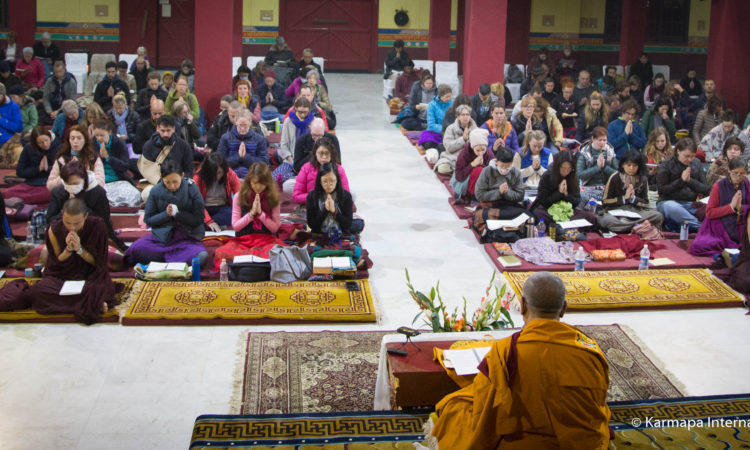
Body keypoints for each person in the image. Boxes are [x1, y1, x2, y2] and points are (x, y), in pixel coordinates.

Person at [429, 271, 610, 449]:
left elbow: (487, 411)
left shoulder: (505, 351)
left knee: (455, 405)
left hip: (522, 444)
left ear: (522, 305)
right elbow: (598, 402)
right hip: (580, 443)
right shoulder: (588, 350)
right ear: (564, 308)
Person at [30, 198, 118, 324]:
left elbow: (98, 262)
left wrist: (79, 249)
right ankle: (92, 303)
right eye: (67, 222)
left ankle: (87, 301)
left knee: (102, 289)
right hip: (62, 276)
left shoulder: (98, 227)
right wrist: (68, 250)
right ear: (62, 214)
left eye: (77, 223)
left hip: (90, 275)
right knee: (38, 292)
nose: (72, 227)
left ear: (86, 216)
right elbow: (57, 261)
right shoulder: (54, 229)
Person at [125, 159, 207, 267]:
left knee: (201, 256)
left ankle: (162, 261)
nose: (172, 186)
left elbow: (199, 218)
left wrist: (178, 215)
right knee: (135, 248)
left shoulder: (192, 189)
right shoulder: (155, 191)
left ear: (182, 175)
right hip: (162, 239)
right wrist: (165, 214)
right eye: (167, 182)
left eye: (175, 182)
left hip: (187, 237)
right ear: (162, 178)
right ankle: (173, 261)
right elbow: (148, 219)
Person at [212, 162, 285, 266]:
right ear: (249, 181)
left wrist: (261, 215)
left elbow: (275, 228)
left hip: (266, 240)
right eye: (255, 183)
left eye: (262, 183)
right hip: (243, 240)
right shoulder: (239, 196)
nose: (258, 187)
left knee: (281, 254)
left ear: (268, 183)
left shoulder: (273, 197)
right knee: (221, 253)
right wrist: (251, 214)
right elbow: (236, 227)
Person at [46, 160, 124, 251]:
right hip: (64, 235)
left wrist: (79, 207)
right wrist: (68, 211)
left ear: (84, 180)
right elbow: (50, 219)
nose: (71, 186)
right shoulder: (58, 192)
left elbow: (103, 220)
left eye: (75, 183)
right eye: (68, 183)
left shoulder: (98, 192)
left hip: (92, 234)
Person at [689, 158, 749, 257]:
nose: (738, 177)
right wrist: (730, 207)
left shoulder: (746, 184)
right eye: (735, 173)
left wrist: (742, 208)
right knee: (700, 246)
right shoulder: (719, 186)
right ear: (729, 171)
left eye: (742, 174)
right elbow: (710, 213)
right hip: (720, 225)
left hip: (740, 224)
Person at [598, 149, 664, 233]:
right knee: (605, 219)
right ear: (622, 165)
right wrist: (624, 198)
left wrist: (633, 199)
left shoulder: (643, 179)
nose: (631, 168)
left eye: (635, 165)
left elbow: (646, 203)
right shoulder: (615, 177)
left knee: (658, 216)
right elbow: (605, 201)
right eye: (628, 165)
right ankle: (636, 227)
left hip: (636, 212)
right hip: (616, 212)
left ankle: (626, 227)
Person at [656, 138, 710, 232]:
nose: (689, 159)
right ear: (678, 151)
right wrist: (681, 181)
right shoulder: (667, 164)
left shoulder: (696, 163)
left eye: (692, 156)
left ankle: (692, 225)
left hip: (691, 204)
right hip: (668, 202)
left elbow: (705, 189)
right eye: (686, 156)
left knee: (712, 209)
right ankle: (701, 227)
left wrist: (689, 181)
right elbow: (662, 190)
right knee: (672, 208)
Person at [532, 150, 596, 229]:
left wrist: (566, 194)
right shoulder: (547, 176)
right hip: (548, 210)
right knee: (538, 214)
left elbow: (576, 201)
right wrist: (559, 193)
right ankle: (561, 226)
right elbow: (543, 201)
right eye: (563, 168)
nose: (566, 171)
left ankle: (561, 226)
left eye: (569, 168)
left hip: (567, 211)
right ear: (557, 167)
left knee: (589, 217)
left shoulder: (573, 176)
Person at [140, 115, 194, 197]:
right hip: (157, 183)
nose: (165, 134)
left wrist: (176, 181)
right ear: (157, 128)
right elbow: (147, 170)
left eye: (168, 130)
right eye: (162, 130)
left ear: (174, 129)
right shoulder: (148, 146)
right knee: (146, 194)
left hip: (178, 182)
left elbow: (189, 171)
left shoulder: (184, 146)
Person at [91, 121, 141, 207]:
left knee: (135, 196)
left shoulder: (119, 143)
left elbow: (125, 166)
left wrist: (108, 158)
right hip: (100, 181)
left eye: (102, 135)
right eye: (96, 136)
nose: (99, 138)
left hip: (118, 180)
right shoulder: (92, 144)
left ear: (109, 132)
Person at [3, 127, 59, 204]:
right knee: (7, 194)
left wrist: (48, 169)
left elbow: (63, 172)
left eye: (46, 140)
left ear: (50, 138)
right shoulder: (29, 148)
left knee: (53, 195)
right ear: (35, 143)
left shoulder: (59, 147)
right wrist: (38, 169)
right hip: (32, 183)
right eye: (40, 142)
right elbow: (20, 172)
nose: (45, 144)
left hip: (50, 184)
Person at [46, 124, 105, 191]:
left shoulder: (93, 158)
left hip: (88, 194)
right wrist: (66, 175)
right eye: (72, 138)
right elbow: (49, 185)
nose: (75, 141)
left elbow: (100, 183)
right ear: (69, 140)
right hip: (67, 194)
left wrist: (82, 175)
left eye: (79, 138)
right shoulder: (62, 159)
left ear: (85, 140)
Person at [293, 136, 350, 205]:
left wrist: (331, 198)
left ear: (332, 154)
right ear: (315, 153)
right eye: (320, 153)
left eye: (327, 153)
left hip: (332, 203)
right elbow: (296, 196)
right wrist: (318, 198)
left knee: (352, 194)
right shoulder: (306, 168)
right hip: (313, 203)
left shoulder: (339, 169)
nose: (324, 157)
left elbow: (346, 195)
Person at [193, 152, 241, 232]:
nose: (217, 176)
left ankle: (205, 226)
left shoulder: (229, 173)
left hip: (222, 207)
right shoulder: (198, 177)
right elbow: (197, 204)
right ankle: (211, 225)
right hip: (204, 208)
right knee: (193, 215)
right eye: (213, 173)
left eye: (219, 173)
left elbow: (239, 194)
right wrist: (209, 221)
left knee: (234, 214)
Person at [217, 108, 268, 178]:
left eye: (245, 125)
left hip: (253, 175)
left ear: (250, 122)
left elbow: (264, 163)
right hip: (230, 175)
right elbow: (220, 162)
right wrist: (238, 156)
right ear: (235, 122)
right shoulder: (226, 137)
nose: (243, 128)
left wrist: (245, 157)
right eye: (240, 125)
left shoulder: (259, 139)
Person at [306, 162, 353, 236]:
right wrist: (325, 210)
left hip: (341, 234)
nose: (329, 185)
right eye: (325, 182)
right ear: (320, 181)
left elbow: (347, 225)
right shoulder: (312, 196)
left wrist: (334, 211)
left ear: (337, 180)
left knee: (358, 224)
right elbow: (312, 225)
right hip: (319, 235)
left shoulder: (346, 196)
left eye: (332, 181)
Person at [474, 146, 525, 211]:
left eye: (507, 167)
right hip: (490, 204)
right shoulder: (487, 171)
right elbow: (479, 194)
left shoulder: (516, 173)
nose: (504, 170)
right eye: (502, 166)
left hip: (510, 204)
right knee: (482, 215)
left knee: (525, 216)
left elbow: (520, 196)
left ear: (512, 163)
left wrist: (507, 192)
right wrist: (499, 192)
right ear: (496, 162)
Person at [451, 128, 494, 202]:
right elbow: (459, 176)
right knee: (478, 170)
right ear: (472, 147)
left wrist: (484, 166)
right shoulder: (464, 154)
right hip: (464, 182)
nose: (481, 153)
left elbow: (494, 172)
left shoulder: (488, 154)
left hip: (483, 184)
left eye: (483, 150)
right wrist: (472, 164)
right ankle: (474, 197)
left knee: (483, 170)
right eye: (478, 150)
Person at [435, 104, 477, 175]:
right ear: (458, 116)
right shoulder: (450, 129)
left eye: (467, 114)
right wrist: (463, 139)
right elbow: (448, 147)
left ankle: (460, 172)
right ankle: (459, 172)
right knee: (443, 168)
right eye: (463, 115)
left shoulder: (475, 129)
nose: (465, 117)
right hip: (452, 157)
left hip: (469, 159)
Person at [577, 126, 617, 197]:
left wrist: (604, 167)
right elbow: (580, 174)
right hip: (588, 187)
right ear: (593, 139)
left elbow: (617, 173)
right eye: (599, 140)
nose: (602, 143)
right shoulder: (584, 152)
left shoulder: (610, 152)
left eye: (604, 140)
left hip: (607, 187)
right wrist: (597, 167)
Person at [278, 96, 313, 168]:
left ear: (309, 110)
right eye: (300, 112)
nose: (302, 115)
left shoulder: (314, 122)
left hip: (310, 161)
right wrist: (290, 159)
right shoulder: (288, 121)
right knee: (277, 177)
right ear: (295, 109)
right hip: (291, 159)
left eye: (305, 112)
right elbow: (283, 144)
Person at [417, 84, 453, 152]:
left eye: (450, 96)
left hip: (449, 133)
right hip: (434, 133)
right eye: (447, 97)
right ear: (440, 96)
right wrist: (444, 129)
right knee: (429, 144)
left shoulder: (452, 104)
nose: (449, 99)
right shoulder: (432, 105)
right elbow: (431, 125)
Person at [42, 61, 77, 125]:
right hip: (51, 109)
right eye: (56, 72)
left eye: (60, 71)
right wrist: (50, 112)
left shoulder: (71, 82)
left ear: (64, 70)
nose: (58, 74)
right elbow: (46, 98)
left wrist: (59, 111)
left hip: (66, 110)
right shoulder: (49, 81)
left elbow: (72, 100)